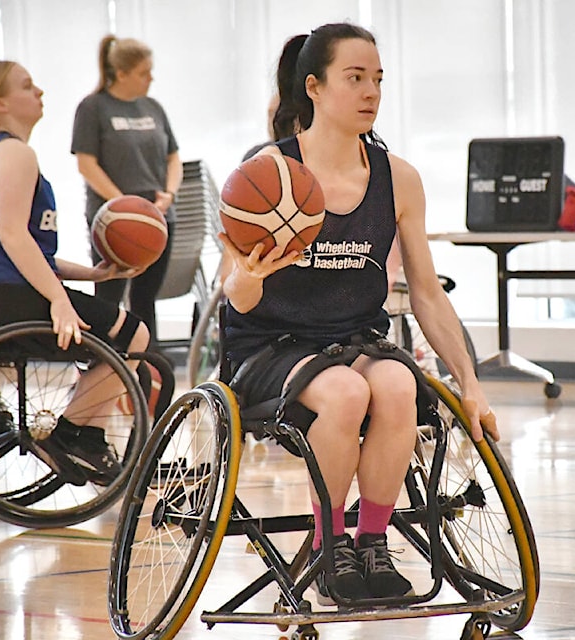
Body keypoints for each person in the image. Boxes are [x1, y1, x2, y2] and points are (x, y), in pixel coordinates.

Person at [219, 23, 499, 604]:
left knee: (397, 383)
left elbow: (426, 293)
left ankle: (372, 542)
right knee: (346, 393)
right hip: (271, 346)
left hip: (352, 338)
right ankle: (330, 546)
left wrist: (470, 381)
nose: (371, 91)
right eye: (355, 78)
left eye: (377, 79)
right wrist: (249, 273)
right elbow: (238, 299)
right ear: (315, 88)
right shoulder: (267, 174)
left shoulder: (399, 177)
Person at [0, 60, 151, 486]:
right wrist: (59, 299)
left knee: (121, 335)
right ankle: (74, 433)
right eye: (28, 86)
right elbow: (13, 237)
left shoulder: (1, 151)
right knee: (134, 336)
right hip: (10, 298)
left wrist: (94, 276)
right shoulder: (14, 153)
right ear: (0, 102)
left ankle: (80, 430)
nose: (40, 92)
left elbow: (28, 250)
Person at [71, 35, 182, 349]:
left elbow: (173, 158)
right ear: (122, 74)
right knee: (109, 297)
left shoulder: (153, 107)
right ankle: (101, 365)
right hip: (115, 219)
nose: (151, 78)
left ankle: (149, 377)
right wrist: (124, 204)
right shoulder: (93, 107)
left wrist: (169, 194)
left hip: (158, 215)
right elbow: (86, 164)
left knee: (146, 298)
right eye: (144, 72)